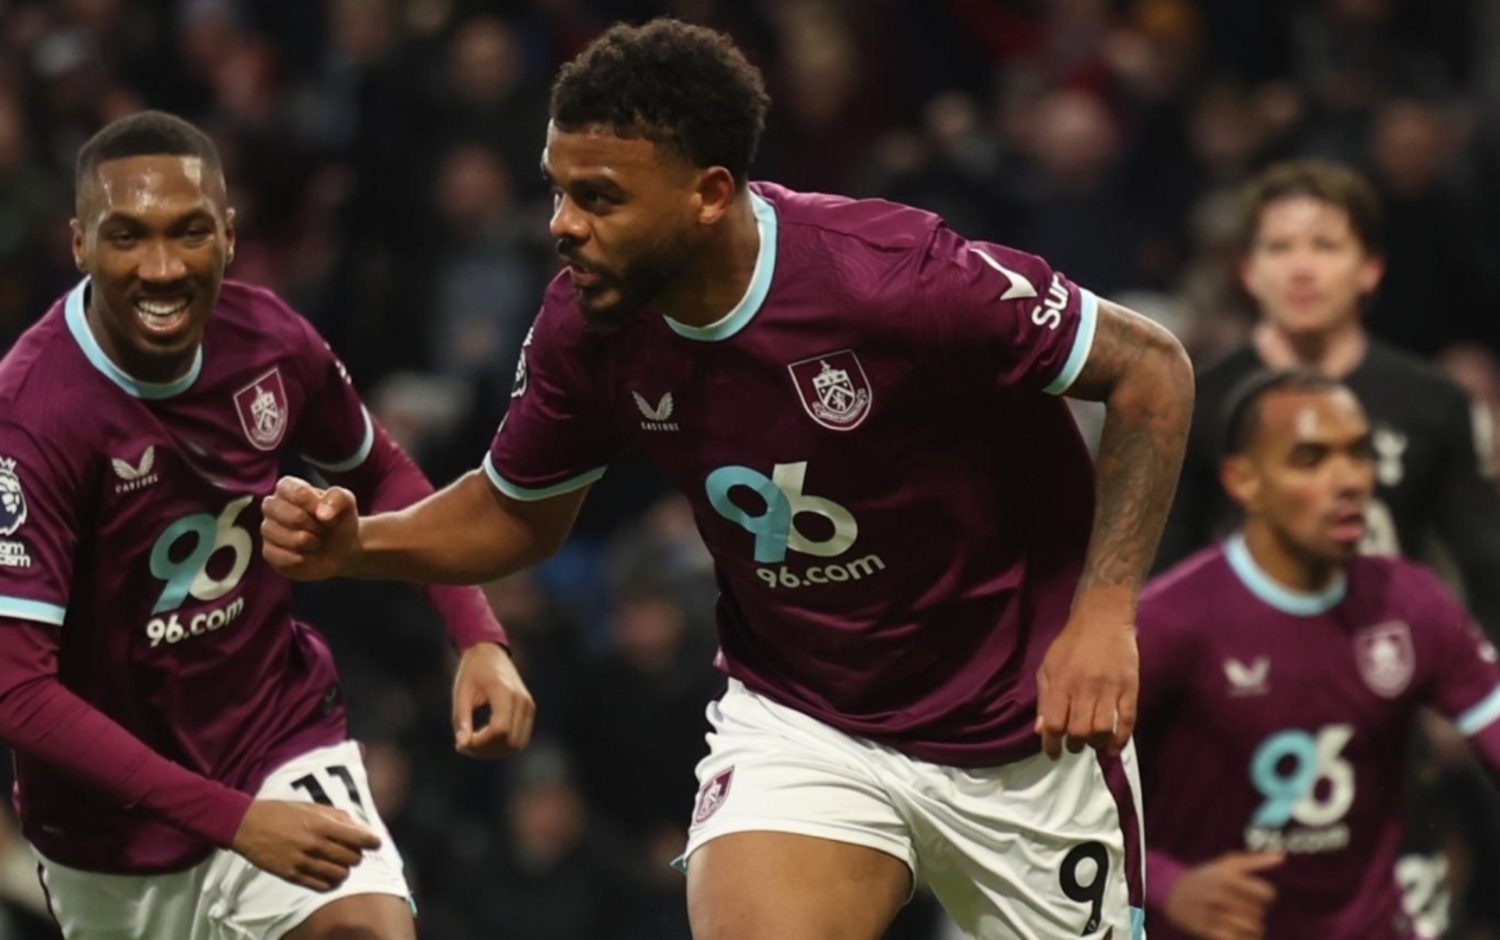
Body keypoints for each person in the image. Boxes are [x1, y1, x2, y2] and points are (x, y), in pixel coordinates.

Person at [262, 18, 1194, 940]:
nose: (562, 227)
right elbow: (516, 514)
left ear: (710, 193)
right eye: (556, 191)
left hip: (1024, 722)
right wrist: (358, 547)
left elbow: (1151, 370)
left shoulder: (893, 278)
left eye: (599, 198)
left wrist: (1105, 616)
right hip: (807, 716)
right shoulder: (588, 328)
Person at [0, 110, 535, 939]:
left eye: (189, 233)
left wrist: (476, 634)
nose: (163, 268)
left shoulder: (271, 343)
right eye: (127, 237)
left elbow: (383, 472)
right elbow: (18, 690)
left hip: (276, 747)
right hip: (112, 834)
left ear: (229, 233)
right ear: (77, 243)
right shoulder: (32, 417)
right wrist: (232, 822)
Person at [1136, 368, 1500, 940]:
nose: (1349, 480)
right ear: (1243, 481)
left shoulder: (1412, 602)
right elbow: (1058, 793)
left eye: (1358, 454)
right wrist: (1160, 883)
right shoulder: (1170, 622)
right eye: (1311, 459)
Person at [1156, 159, 1500, 637]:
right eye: (1280, 248)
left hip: (1389, 670)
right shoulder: (1196, 404)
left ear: (1370, 268)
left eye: (1325, 246)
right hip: (1240, 677)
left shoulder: (1435, 402)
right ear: (1249, 272)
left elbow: (1488, 568)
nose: (1301, 269)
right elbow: (1162, 577)